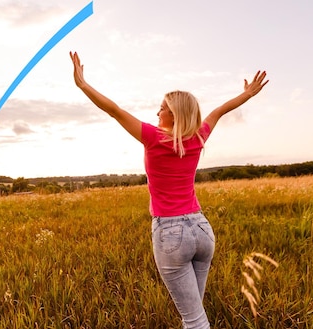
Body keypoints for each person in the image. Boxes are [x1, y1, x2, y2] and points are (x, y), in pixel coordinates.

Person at [70, 51, 268, 328]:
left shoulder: (152, 137)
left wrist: (83, 85)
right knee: (195, 313)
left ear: (173, 114)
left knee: (194, 319)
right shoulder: (199, 136)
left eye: (161, 108)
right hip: (201, 230)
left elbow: (114, 110)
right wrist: (246, 95)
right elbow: (219, 111)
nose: (157, 112)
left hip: (170, 233)